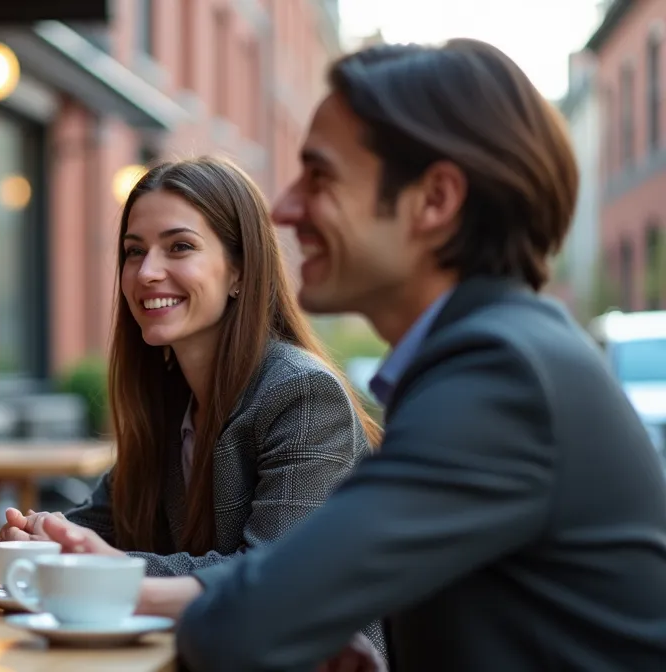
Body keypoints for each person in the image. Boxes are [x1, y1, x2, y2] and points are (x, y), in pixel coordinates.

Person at [41, 39, 666, 671]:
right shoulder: (502, 352)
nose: (284, 208)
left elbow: (257, 614)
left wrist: (125, 583)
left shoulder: (501, 375)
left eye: (320, 175)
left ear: (435, 201)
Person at [0, 156, 385, 655]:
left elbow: (268, 575)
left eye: (179, 247)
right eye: (134, 253)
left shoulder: (302, 394)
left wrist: (105, 567)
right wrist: (41, 536)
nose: (147, 272)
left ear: (239, 271)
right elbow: (103, 523)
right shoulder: (165, 401)